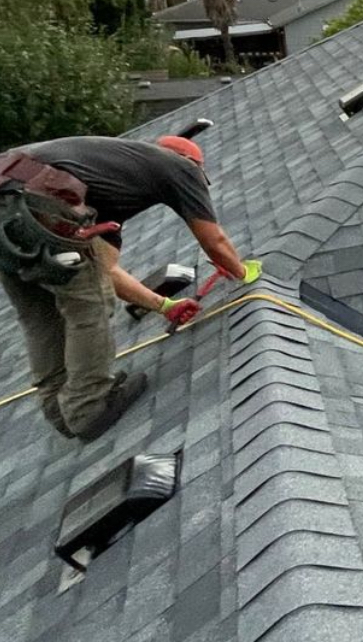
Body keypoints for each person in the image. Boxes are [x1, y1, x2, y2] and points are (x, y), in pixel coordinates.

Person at [0, 133, 256, 441]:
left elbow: (106, 271)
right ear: (193, 164)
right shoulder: (180, 167)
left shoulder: (107, 183)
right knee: (89, 305)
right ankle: (87, 406)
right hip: (35, 200)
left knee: (41, 315)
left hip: (10, 199)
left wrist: (165, 305)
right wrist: (243, 272)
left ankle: (60, 409)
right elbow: (214, 241)